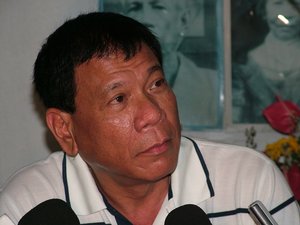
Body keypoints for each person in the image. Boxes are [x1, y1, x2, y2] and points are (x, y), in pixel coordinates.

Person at [0, 12, 299, 225]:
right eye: (118, 99)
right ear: (64, 129)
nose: (154, 114)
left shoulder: (249, 184)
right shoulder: (28, 206)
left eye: (156, 84)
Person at [111, 0, 219, 129]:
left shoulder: (213, 85)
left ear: (184, 20)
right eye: (135, 7)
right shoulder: (109, 87)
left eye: (158, 7)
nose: (146, 18)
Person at [232, 0, 300, 122]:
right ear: (264, 10)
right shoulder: (244, 61)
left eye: (295, 4)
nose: (287, 13)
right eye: (278, 3)